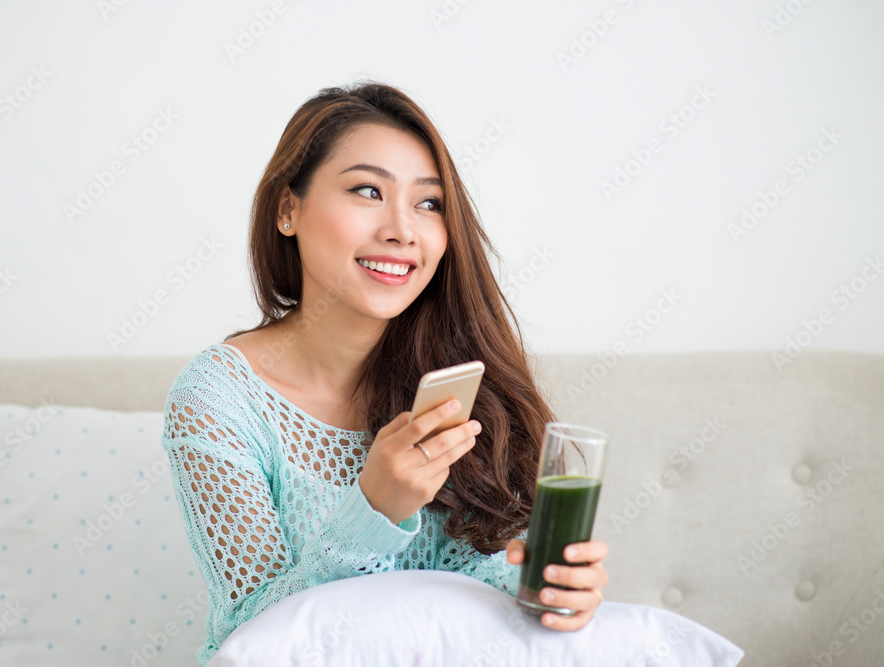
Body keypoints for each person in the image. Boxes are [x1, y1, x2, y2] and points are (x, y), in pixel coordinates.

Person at [161, 80, 609, 666]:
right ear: (287, 209)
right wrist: (374, 509)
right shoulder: (220, 401)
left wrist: (552, 598)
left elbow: (485, 606)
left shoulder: (464, 383)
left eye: (428, 203)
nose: (403, 229)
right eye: (368, 191)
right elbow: (254, 639)